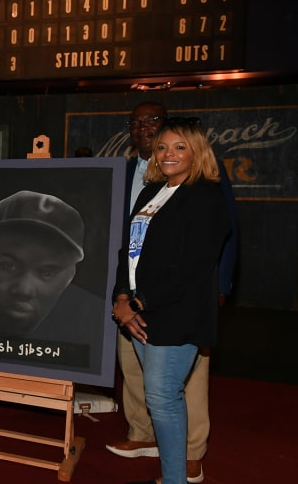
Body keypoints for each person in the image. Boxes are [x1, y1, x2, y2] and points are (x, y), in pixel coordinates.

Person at [108, 102, 240, 484]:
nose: (168, 154)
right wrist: (121, 298)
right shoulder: (151, 191)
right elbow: (128, 251)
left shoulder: (206, 197)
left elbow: (193, 267)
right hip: (139, 312)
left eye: (180, 147)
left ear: (197, 152)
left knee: (162, 397)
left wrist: (138, 302)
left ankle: (176, 479)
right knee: (161, 398)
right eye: (163, 147)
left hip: (176, 313)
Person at [0, 189, 103, 345]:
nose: (24, 290)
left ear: (69, 278)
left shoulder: (96, 323)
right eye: (8, 265)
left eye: (47, 273)